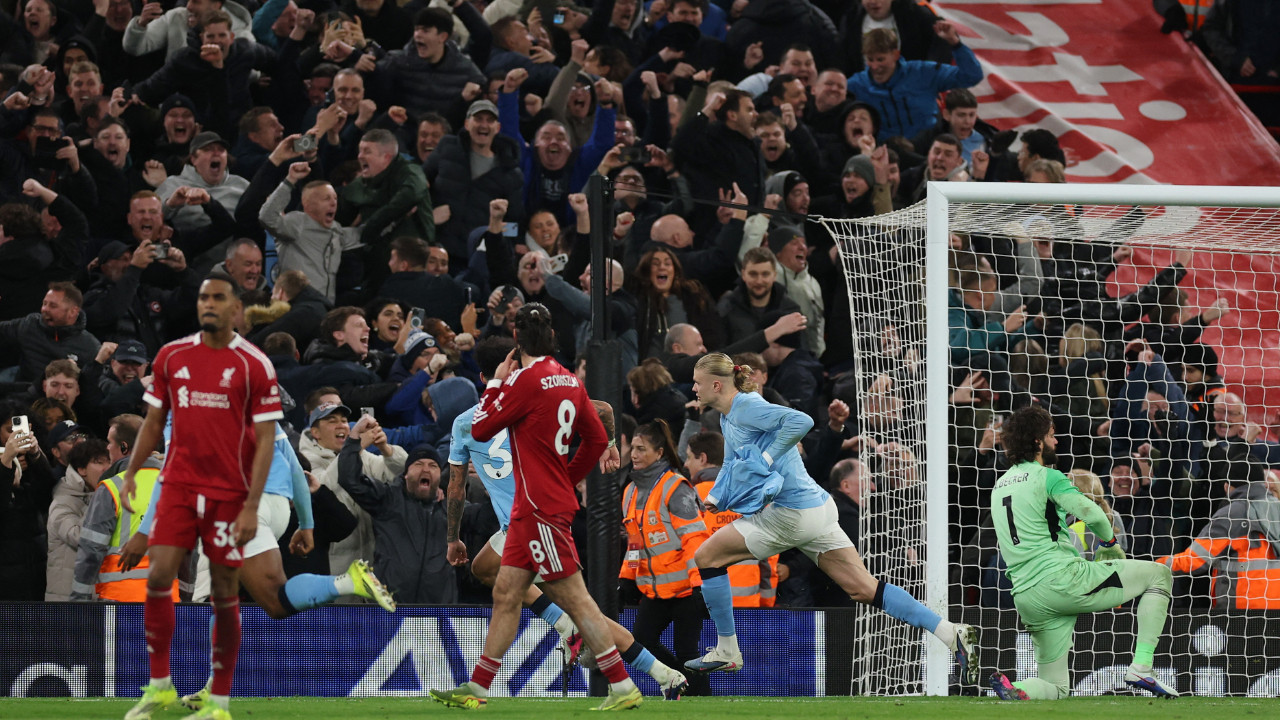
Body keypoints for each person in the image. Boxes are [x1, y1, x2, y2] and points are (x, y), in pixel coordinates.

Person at [683, 353, 978, 682]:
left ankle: (727, 650)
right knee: (864, 588)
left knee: (706, 557)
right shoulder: (728, 418)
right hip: (817, 508)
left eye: (697, 382)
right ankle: (951, 633)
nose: (693, 388)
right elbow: (731, 465)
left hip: (792, 512)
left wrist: (765, 458)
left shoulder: (747, 406)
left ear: (716, 384)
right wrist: (716, 497)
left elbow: (802, 422)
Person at [444, 337, 691, 698]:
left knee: (580, 609)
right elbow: (604, 410)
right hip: (532, 519)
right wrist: (608, 445)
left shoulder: (467, 423)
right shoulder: (543, 401)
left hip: (533, 521)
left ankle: (661, 674)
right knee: (487, 570)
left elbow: (455, 488)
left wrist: (453, 537)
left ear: (484, 377)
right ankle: (492, 678)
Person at [430, 304, 642, 711]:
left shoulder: (525, 381)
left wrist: (495, 382)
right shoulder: (568, 379)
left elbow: (481, 427)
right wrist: (566, 477)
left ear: (517, 339)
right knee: (506, 594)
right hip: (534, 507)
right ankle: (478, 688)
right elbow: (597, 438)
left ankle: (621, 684)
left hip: (539, 508)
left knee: (575, 600)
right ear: (552, 336)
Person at [119, 271, 284, 720]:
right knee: (159, 577)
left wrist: (251, 506)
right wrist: (131, 472)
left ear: (236, 308)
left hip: (228, 492)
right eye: (203, 297)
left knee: (225, 590)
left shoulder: (254, 365)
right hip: (178, 484)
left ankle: (219, 700)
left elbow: (266, 442)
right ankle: (159, 687)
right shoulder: (172, 356)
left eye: (218, 298)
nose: (208, 304)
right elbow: (154, 422)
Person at [987, 406, 1178, 701]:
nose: (1056, 441)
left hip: (1026, 596)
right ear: (1037, 441)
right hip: (1061, 580)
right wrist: (1110, 544)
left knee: (1057, 688)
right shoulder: (1048, 476)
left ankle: (1017, 690)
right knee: (1159, 575)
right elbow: (1095, 515)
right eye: (1051, 435)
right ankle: (1142, 667)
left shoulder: (999, 486)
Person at [619, 420, 710, 690]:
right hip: (654, 590)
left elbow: (695, 539)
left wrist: (699, 584)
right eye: (633, 448)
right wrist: (626, 579)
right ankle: (681, 681)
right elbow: (634, 544)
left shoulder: (676, 487)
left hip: (686, 589)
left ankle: (700, 697)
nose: (634, 454)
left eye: (641, 449)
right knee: (640, 642)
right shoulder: (630, 492)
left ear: (659, 453)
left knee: (687, 653)